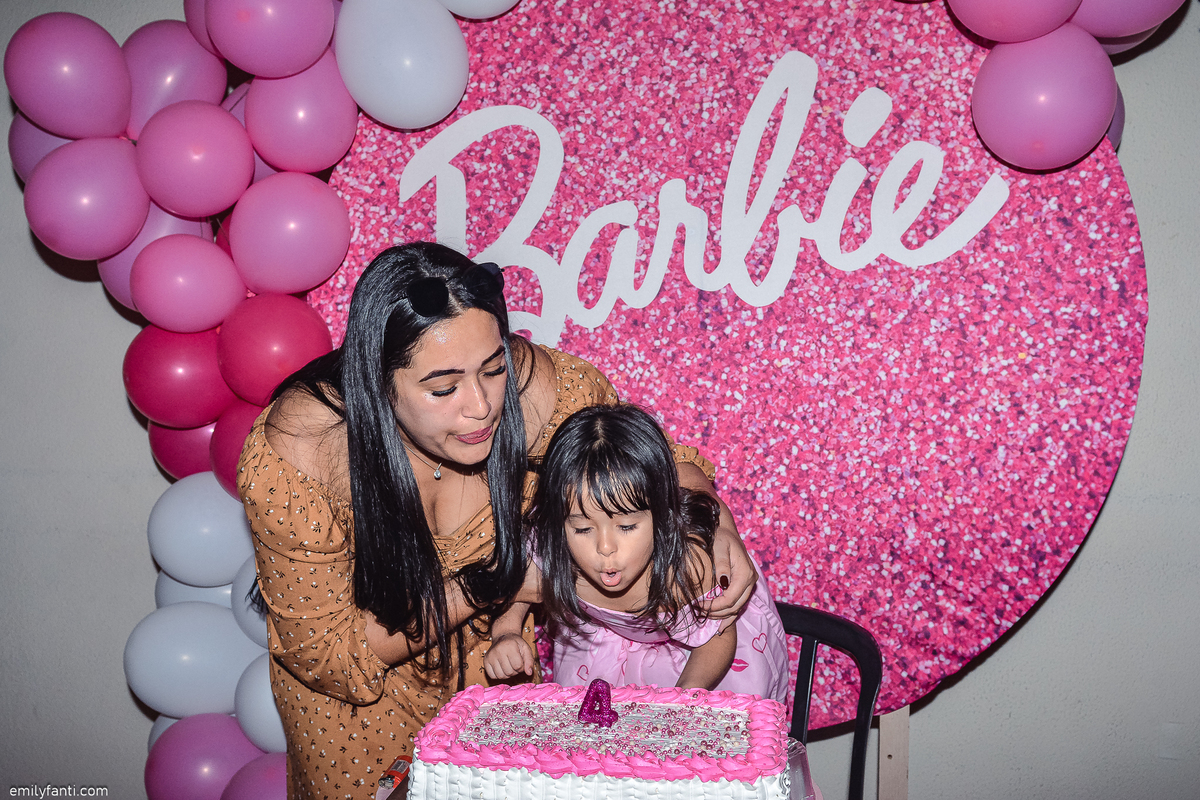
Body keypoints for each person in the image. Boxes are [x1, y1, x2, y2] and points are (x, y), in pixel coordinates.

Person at [237, 242, 758, 800]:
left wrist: (719, 523)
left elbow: (655, 468)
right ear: (379, 383)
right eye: (443, 388)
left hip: (496, 675)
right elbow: (327, 655)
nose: (481, 406)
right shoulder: (301, 453)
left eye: (493, 369)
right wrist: (495, 582)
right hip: (357, 712)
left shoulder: (545, 393)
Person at [485, 403, 789, 701]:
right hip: (603, 646)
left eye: (627, 526)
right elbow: (519, 591)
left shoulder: (688, 565)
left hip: (696, 653)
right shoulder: (553, 550)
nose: (605, 548)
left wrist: (683, 696)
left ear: (662, 516)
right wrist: (506, 632)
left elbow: (716, 637)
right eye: (582, 529)